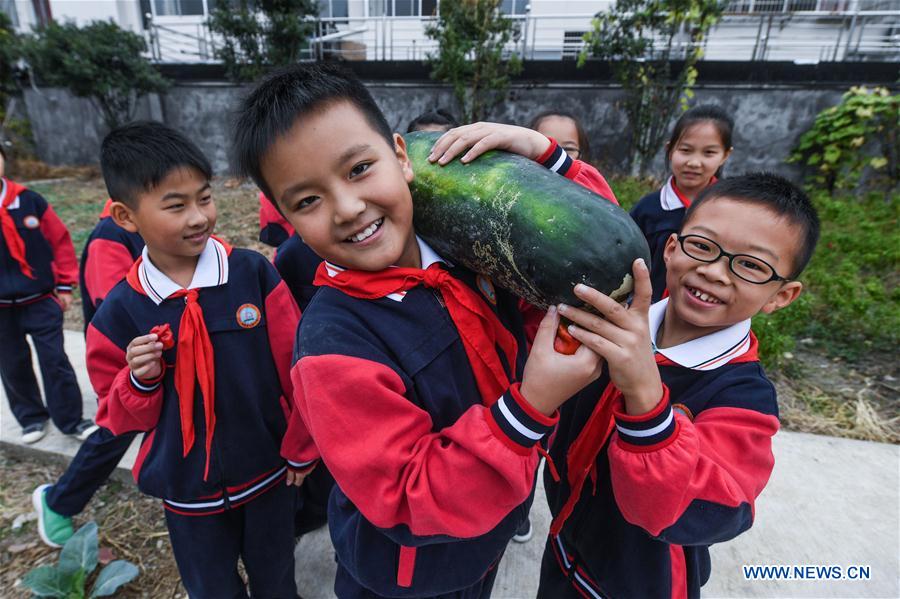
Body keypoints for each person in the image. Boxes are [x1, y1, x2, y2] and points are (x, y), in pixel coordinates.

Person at [232, 63, 606, 598]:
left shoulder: (469, 248)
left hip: (485, 537)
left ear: (402, 156)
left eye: (360, 168)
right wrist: (530, 407)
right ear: (286, 218)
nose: (347, 207)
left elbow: (596, 251)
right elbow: (406, 499)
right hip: (406, 577)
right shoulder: (331, 348)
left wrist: (546, 155)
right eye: (307, 201)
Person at [538, 173, 820, 599]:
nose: (713, 272)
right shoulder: (613, 317)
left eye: (750, 265)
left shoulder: (745, 398)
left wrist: (647, 401)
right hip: (564, 544)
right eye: (702, 246)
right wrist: (553, 159)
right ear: (671, 249)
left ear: (782, 296)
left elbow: (718, 510)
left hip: (639, 584)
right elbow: (589, 222)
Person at [86, 121, 315, 599]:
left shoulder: (253, 275)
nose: (198, 217)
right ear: (126, 217)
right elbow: (115, 413)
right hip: (187, 492)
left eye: (204, 197)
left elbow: (299, 367)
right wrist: (140, 381)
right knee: (210, 588)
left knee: (277, 580)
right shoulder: (120, 313)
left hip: (269, 473)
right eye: (176, 205)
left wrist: (301, 444)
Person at [32, 198, 145, 548]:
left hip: (159, 353)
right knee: (116, 431)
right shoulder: (110, 237)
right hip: (126, 361)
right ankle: (57, 502)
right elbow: (117, 309)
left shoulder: (160, 225)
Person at [0, 143, 96, 444]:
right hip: (2, 308)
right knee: (12, 363)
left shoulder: (29, 201)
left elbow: (60, 242)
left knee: (54, 360)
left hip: (40, 299)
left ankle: (71, 419)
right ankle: (31, 418)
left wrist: (65, 286)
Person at [630, 105, 735, 301]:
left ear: (725, 155)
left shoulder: (734, 211)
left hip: (706, 308)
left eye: (709, 153)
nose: (694, 162)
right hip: (648, 310)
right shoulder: (648, 210)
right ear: (670, 150)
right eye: (686, 150)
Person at [530, 110, 618, 205]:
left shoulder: (592, 192)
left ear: (581, 155)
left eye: (568, 149)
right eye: (546, 147)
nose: (557, 155)